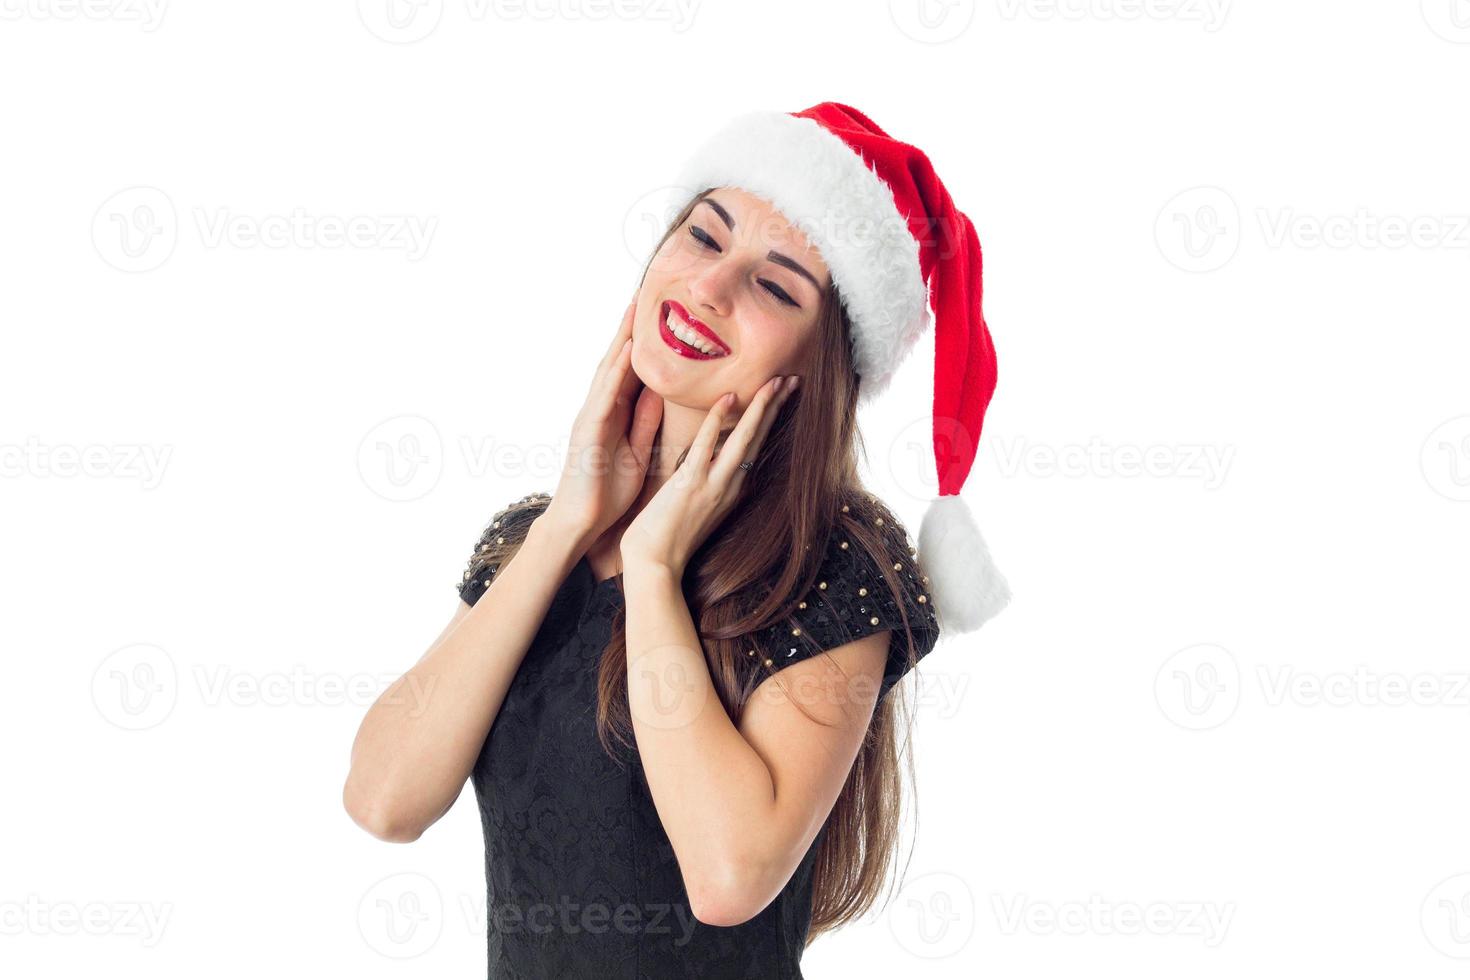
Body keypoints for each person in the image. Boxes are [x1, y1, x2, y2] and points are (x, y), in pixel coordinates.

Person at [344, 102, 1011, 979]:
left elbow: (730, 874)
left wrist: (654, 570)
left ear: (818, 364)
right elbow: (383, 799)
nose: (710, 288)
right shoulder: (534, 539)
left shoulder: (837, 561)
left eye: (774, 287)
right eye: (703, 237)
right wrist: (565, 523)